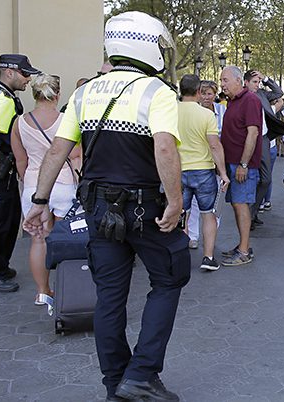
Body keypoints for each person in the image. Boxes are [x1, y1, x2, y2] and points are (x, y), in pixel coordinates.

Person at [22, 12, 187, 401]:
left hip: (98, 210)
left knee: (109, 296)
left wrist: (40, 202)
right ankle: (142, 374)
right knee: (169, 279)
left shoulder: (84, 93)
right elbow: (164, 147)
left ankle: (115, 384)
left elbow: (57, 151)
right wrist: (176, 201)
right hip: (146, 209)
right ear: (147, 45)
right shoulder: (156, 91)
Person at [11, 74, 81, 304]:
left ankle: (42, 291)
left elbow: (20, 160)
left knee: (38, 239)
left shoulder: (19, 122)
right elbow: (75, 154)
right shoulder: (66, 119)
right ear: (57, 94)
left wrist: (28, 181)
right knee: (65, 239)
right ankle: (66, 287)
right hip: (62, 183)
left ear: (34, 94)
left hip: (33, 185)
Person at [0, 54, 40, 292]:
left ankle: (0, 266)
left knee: (7, 219)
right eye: (25, 74)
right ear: (9, 72)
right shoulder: (2, 100)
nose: (28, 80)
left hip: (0, 169)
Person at [177, 75, 230, 270]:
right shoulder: (206, 115)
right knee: (208, 214)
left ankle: (180, 257)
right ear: (198, 91)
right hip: (204, 170)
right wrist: (223, 173)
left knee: (181, 214)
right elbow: (215, 146)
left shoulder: (170, 112)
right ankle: (208, 258)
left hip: (178, 170)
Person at [219, 66, 262, 266]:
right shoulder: (233, 102)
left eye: (225, 80)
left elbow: (252, 134)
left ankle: (244, 251)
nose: (222, 84)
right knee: (237, 204)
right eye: (221, 80)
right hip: (232, 163)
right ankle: (241, 245)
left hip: (242, 164)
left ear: (238, 80)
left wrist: (243, 164)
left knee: (241, 204)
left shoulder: (250, 100)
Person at [187, 80, 226, 250]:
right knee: (195, 205)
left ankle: (211, 235)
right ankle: (193, 236)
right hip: (199, 160)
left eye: (209, 93)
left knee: (215, 203)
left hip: (216, 160)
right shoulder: (194, 112)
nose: (206, 97)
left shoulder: (222, 110)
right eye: (203, 93)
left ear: (215, 94)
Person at [244, 70, 283, 227]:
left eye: (258, 82)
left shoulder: (262, 94)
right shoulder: (241, 97)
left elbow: (278, 92)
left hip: (264, 140)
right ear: (245, 82)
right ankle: (246, 216)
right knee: (249, 180)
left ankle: (252, 212)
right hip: (247, 141)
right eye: (254, 82)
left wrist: (266, 78)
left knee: (266, 180)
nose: (257, 84)